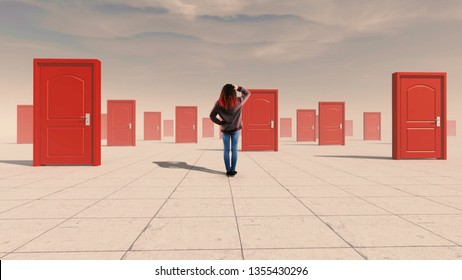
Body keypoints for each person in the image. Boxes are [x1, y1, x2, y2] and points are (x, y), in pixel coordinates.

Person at [210, 84, 251, 176]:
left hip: (225, 130)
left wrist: (221, 123)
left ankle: (228, 170)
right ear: (234, 92)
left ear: (223, 92)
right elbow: (247, 93)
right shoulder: (239, 101)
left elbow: (212, 116)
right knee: (234, 149)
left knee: (226, 150)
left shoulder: (218, 103)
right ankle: (233, 170)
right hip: (236, 129)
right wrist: (239, 88)